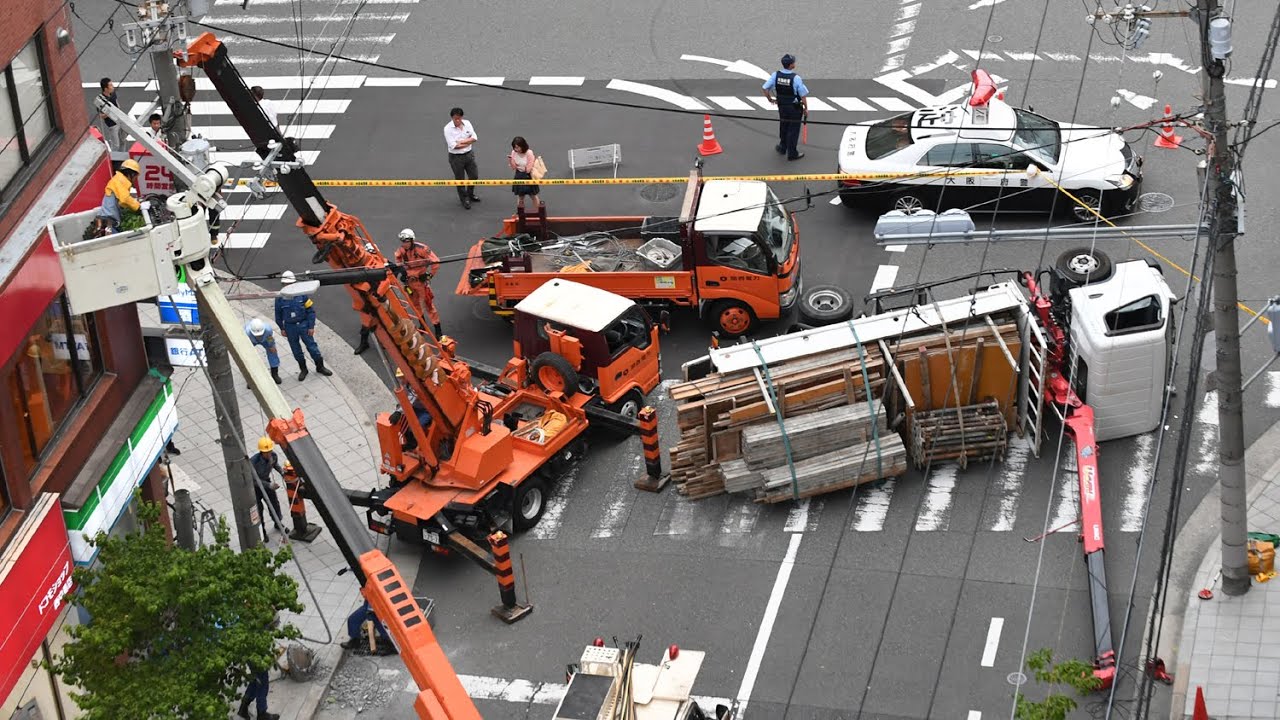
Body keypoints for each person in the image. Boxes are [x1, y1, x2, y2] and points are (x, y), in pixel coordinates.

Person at [274, 271, 333, 381]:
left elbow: (311, 311)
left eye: (290, 283)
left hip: (303, 325)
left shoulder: (302, 295)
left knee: (312, 347)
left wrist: (311, 326)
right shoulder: (279, 298)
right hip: (290, 327)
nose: (288, 286)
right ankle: (303, 369)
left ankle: (320, 367)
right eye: (286, 284)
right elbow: (278, 315)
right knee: (296, 350)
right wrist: (281, 328)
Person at [392, 229, 442, 337]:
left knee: (428, 305)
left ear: (412, 240)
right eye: (403, 241)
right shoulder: (401, 250)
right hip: (410, 282)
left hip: (421, 282)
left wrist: (429, 275)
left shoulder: (422, 249)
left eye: (406, 241)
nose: (404, 244)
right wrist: (402, 272)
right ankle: (422, 324)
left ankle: (437, 328)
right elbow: (398, 261)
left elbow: (436, 262)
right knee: (415, 304)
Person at [762, 54, 809, 161]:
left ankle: (783, 147)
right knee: (793, 130)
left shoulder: (776, 75)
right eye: (794, 62)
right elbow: (803, 95)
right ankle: (792, 153)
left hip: (782, 106)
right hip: (794, 107)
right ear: (791, 65)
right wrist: (806, 109)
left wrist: (770, 99)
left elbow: (765, 88)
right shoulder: (796, 78)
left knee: (784, 125)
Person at [443, 107, 480, 209]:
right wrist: (467, 142)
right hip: (456, 158)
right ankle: (464, 199)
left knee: (474, 176)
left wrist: (461, 142)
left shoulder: (467, 123)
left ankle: (470, 194)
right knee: (460, 180)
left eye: (459, 118)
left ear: (462, 117)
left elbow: (475, 138)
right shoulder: (447, 129)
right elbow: (454, 146)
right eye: (455, 119)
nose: (457, 121)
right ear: (452, 118)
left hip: (469, 155)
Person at [250, 437, 286, 540]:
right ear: (261, 452)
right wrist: (269, 485)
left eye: (270, 451)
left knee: (274, 504)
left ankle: (278, 523)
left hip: (266, 482)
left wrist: (282, 472)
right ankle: (263, 532)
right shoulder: (253, 462)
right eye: (267, 452)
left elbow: (275, 465)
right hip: (256, 488)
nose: (269, 453)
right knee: (258, 510)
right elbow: (254, 480)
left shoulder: (273, 456)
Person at [97, 159, 141, 233]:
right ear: (132, 174)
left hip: (108, 221)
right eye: (135, 177)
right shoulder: (120, 181)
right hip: (108, 223)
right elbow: (125, 198)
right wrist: (139, 206)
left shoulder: (119, 180)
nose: (135, 179)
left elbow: (122, 203)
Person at [245, 318, 283, 385]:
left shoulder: (268, 330)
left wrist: (271, 346)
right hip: (250, 341)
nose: (259, 335)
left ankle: (274, 374)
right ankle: (251, 378)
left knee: (272, 353)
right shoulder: (246, 333)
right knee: (249, 358)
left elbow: (270, 338)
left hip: (265, 340)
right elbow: (245, 344)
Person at [508, 136, 542, 210]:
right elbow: (513, 167)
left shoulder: (529, 153)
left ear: (522, 146)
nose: (516, 149)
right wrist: (510, 160)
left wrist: (525, 174)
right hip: (518, 174)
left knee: (533, 195)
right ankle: (520, 213)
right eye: (514, 147)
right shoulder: (514, 152)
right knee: (520, 197)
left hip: (528, 175)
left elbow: (529, 168)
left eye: (517, 147)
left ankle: (538, 212)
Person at [97, 78, 122, 153]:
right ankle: (113, 159)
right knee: (116, 145)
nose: (113, 86)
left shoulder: (113, 93)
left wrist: (119, 110)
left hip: (120, 120)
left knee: (123, 141)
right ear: (105, 89)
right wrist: (110, 112)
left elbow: (116, 103)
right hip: (112, 124)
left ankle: (122, 157)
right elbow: (101, 115)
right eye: (110, 85)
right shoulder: (101, 100)